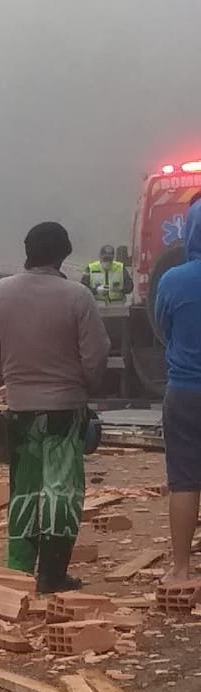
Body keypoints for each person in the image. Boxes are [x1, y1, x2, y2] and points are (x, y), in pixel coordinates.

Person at [0, 221, 110, 593]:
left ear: (28, 250)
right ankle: (52, 575)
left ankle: (18, 572)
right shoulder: (76, 296)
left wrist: (6, 375)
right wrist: (84, 384)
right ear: (63, 254)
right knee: (61, 490)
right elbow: (96, 355)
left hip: (19, 408)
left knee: (24, 489)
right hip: (64, 411)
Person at [154, 198, 201, 582]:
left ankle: (182, 569)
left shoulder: (172, 280)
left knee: (184, 480)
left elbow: (161, 329)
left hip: (185, 391)